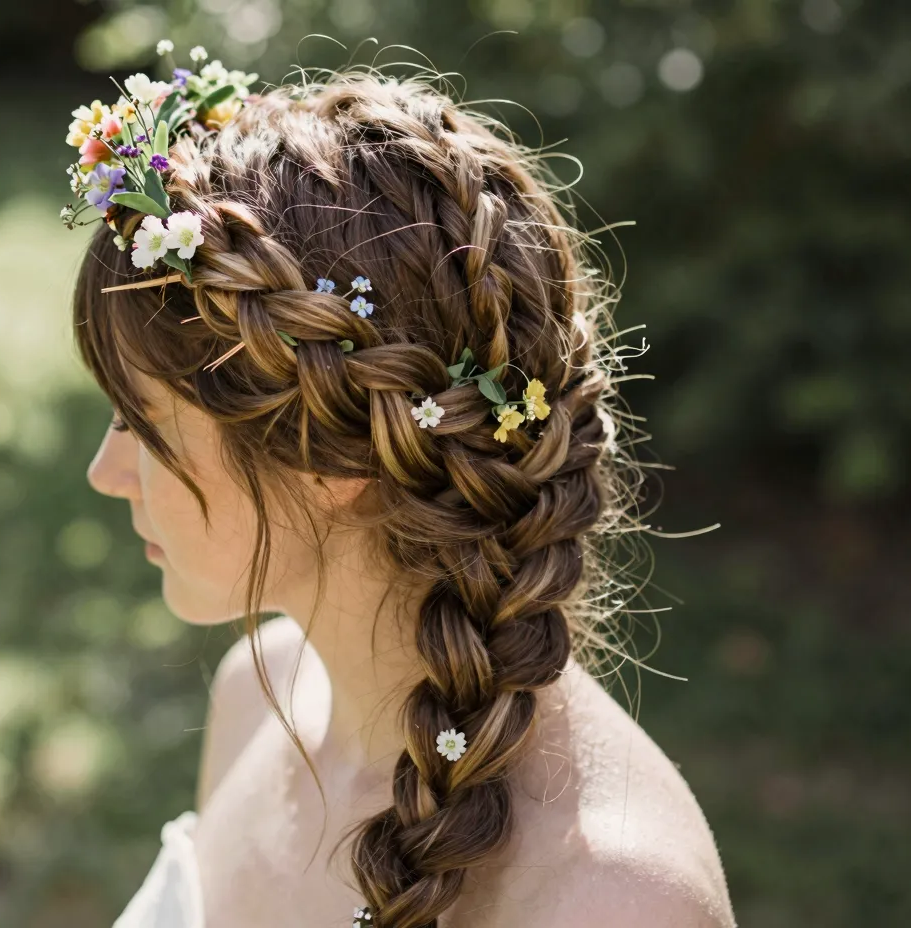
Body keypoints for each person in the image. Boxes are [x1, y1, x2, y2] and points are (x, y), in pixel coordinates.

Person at [71, 54, 736, 928]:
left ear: (331, 459)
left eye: (140, 422)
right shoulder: (255, 696)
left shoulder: (611, 903)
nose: (104, 472)